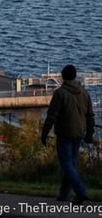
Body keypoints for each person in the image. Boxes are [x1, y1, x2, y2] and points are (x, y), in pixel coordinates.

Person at [41, 64, 96, 204]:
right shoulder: (84, 93)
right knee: (71, 164)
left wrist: (44, 133)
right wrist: (89, 133)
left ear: (63, 76)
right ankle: (64, 195)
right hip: (79, 133)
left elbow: (51, 116)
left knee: (66, 164)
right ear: (75, 76)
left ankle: (81, 191)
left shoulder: (60, 94)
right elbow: (90, 116)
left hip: (64, 133)